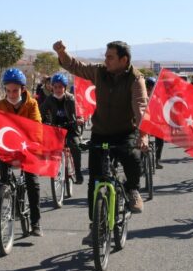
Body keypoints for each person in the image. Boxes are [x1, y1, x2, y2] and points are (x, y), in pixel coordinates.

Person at [53, 39, 148, 244]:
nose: (106, 60)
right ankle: (95, 226)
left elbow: (140, 106)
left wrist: (143, 134)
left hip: (125, 132)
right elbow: (76, 66)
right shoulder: (99, 72)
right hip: (101, 132)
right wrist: (62, 53)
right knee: (94, 181)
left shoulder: (135, 79)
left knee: (132, 156)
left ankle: (132, 189)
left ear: (124, 60)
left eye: (110, 57)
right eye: (105, 56)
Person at [0, 68, 44, 237]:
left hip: (28, 144)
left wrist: (33, 143)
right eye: (8, 90)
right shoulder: (2, 104)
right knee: (4, 167)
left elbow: (37, 125)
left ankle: (35, 222)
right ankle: (5, 188)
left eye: (15, 90)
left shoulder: (31, 104)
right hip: (11, 143)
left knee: (32, 182)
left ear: (22, 89)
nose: (11, 94)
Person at [40, 72, 85, 184]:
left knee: (75, 146)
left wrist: (79, 119)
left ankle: (78, 173)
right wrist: (40, 122)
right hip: (56, 128)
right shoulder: (49, 99)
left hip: (71, 127)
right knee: (48, 145)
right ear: (52, 88)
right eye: (55, 87)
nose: (58, 89)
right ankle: (49, 167)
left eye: (60, 87)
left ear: (64, 88)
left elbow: (79, 111)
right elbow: (41, 112)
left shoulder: (71, 99)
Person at [144, 76, 165, 169]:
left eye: (152, 86)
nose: (150, 88)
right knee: (141, 139)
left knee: (160, 138)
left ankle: (157, 160)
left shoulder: (157, 96)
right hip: (144, 122)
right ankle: (141, 161)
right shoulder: (142, 95)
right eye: (149, 86)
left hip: (155, 122)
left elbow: (161, 110)